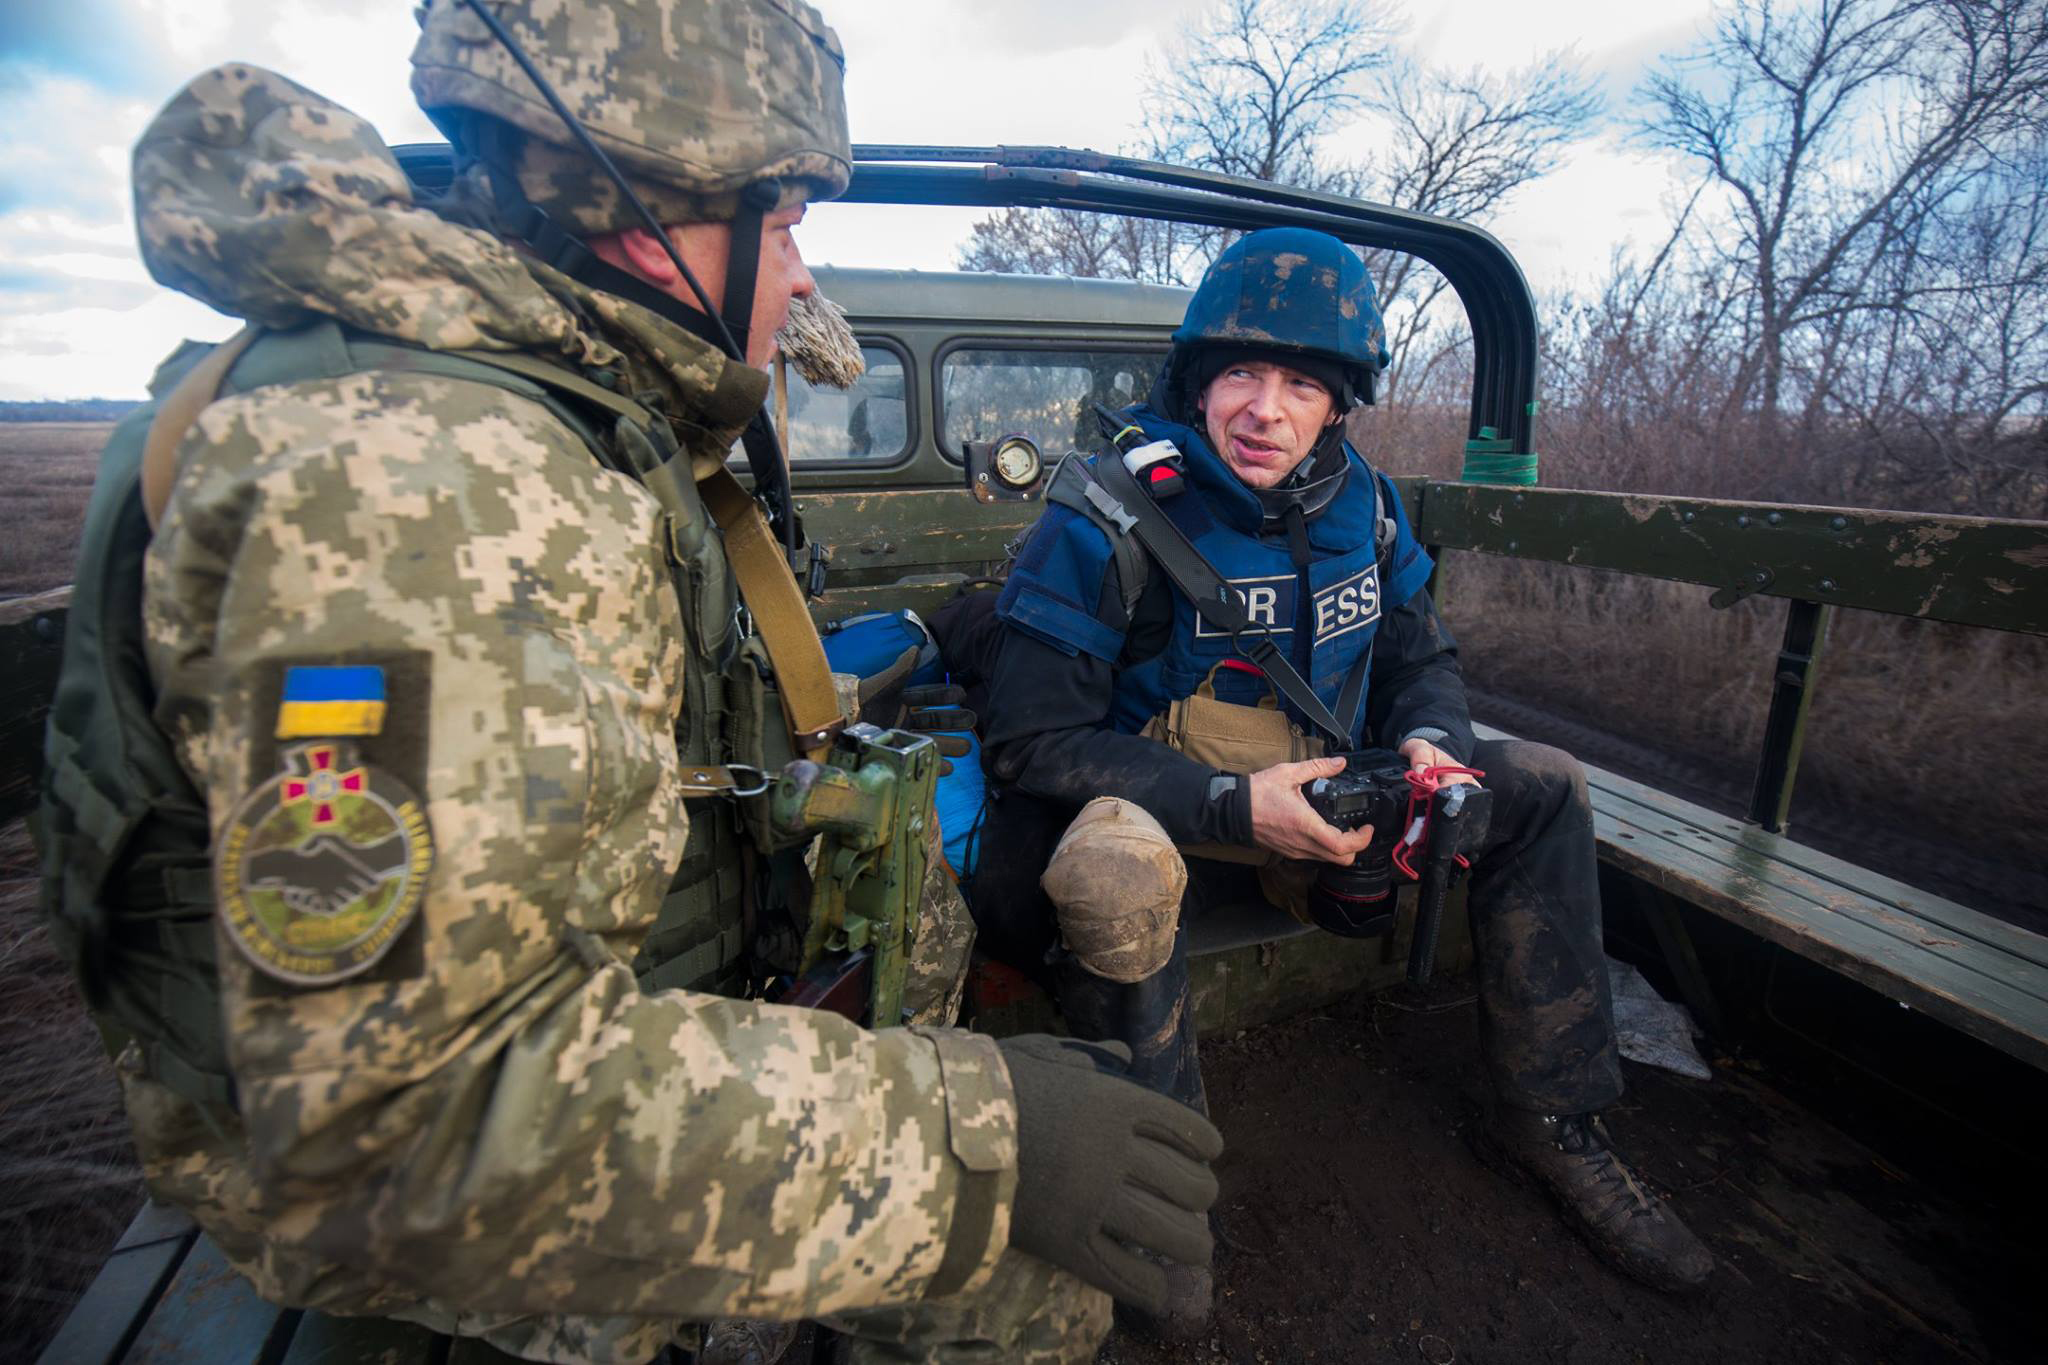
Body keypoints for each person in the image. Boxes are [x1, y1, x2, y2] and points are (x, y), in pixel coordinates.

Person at [36, 2, 1220, 1361]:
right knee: (1033, 1295)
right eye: (783, 226)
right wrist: (979, 1141)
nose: (798, 278)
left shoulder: (557, 407)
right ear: (656, 218)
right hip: (438, 1200)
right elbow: (398, 1126)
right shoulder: (429, 485)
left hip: (617, 1035)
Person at [965, 227, 1714, 1323]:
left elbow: (1421, 659)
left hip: (1335, 800)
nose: (1264, 410)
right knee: (1109, 877)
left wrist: (1431, 743)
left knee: (1547, 782)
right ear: (1198, 384)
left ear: (1337, 406)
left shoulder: (1366, 504)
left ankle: (1553, 1119)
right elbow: (1032, 741)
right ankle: (1161, 1202)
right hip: (1169, 812)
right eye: (1240, 374)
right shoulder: (1103, 519)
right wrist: (1232, 805)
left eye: (1302, 385)